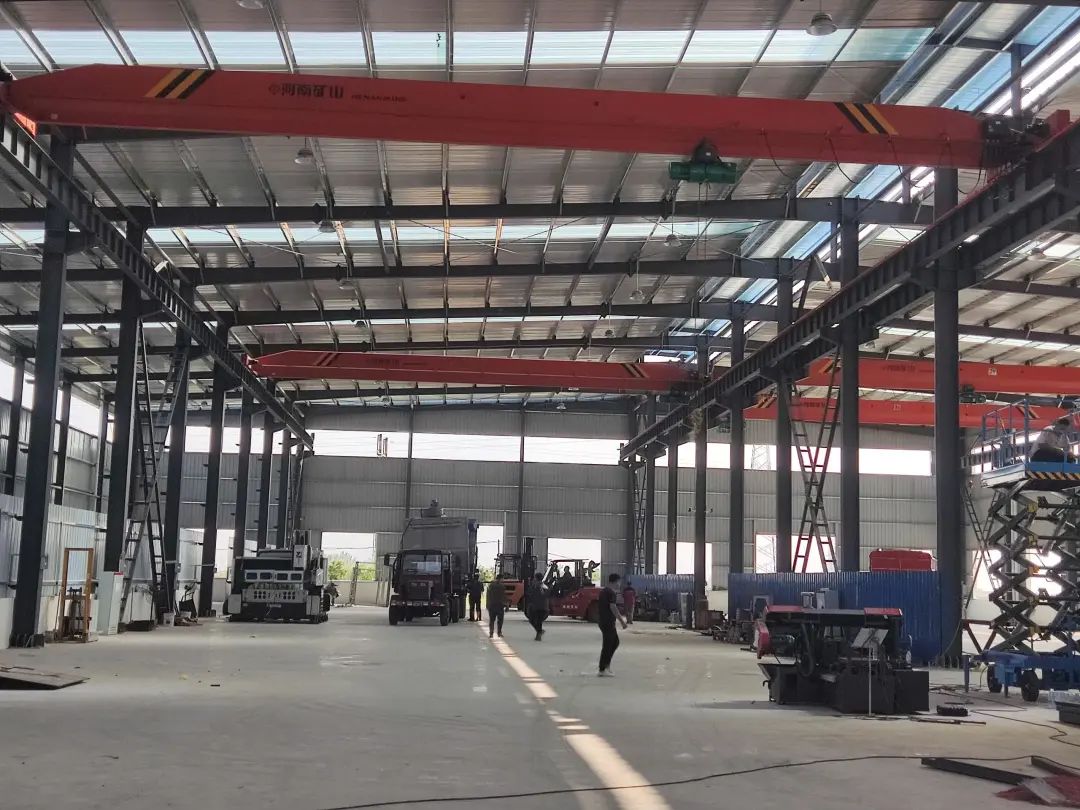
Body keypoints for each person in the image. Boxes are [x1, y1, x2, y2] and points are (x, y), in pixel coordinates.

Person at [598, 573, 627, 677]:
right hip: (607, 622)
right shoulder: (611, 593)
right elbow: (613, 608)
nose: (620, 584)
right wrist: (622, 621)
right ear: (616, 581)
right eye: (619, 582)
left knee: (614, 642)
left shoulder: (603, 591)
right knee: (608, 645)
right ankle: (602, 669)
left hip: (603, 621)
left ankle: (606, 665)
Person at [527, 572, 549, 641]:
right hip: (542, 606)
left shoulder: (538, 586)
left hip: (538, 606)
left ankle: (539, 634)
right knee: (537, 621)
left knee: (535, 620)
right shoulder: (543, 586)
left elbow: (532, 594)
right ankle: (539, 633)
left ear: (536, 578)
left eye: (534, 578)